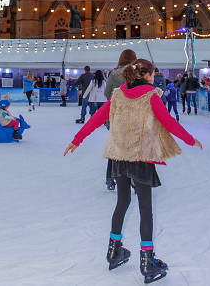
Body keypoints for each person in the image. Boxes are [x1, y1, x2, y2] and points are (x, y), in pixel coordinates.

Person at [64, 59, 202, 284]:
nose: (154, 77)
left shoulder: (118, 94)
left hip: (119, 156)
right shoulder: (151, 96)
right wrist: (190, 139)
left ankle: (113, 250)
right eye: (154, 73)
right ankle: (147, 261)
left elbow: (98, 118)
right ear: (147, 75)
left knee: (122, 202)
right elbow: (167, 121)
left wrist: (76, 140)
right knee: (145, 207)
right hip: (140, 156)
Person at [103, 49, 138, 191]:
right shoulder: (136, 72)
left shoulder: (113, 73)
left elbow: (107, 94)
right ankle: (134, 180)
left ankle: (110, 178)